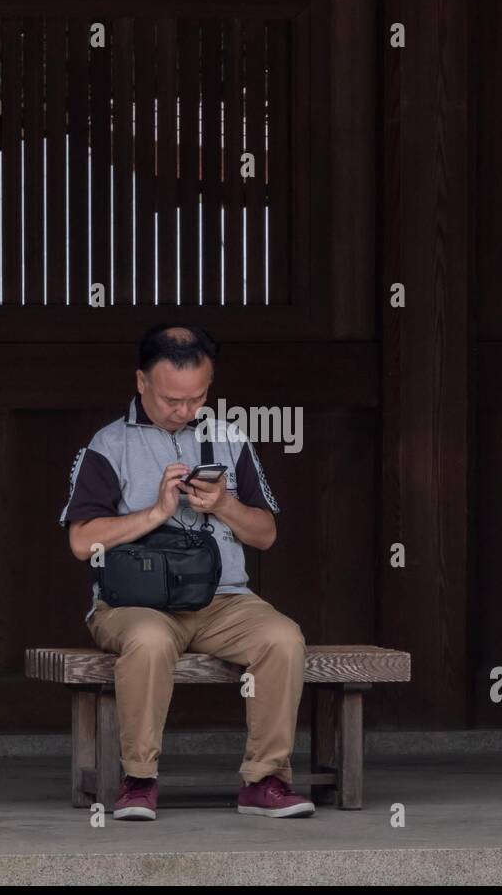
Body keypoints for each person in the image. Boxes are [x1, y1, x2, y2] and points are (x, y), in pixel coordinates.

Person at [59, 324, 315, 821]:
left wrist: (223, 504)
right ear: (141, 382)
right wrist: (156, 512)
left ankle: (264, 781)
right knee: (149, 641)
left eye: (197, 398)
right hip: (135, 604)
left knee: (283, 638)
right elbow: (80, 541)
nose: (184, 410)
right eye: (171, 399)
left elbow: (265, 534)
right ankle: (138, 780)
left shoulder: (229, 438)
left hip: (224, 600)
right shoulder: (108, 444)